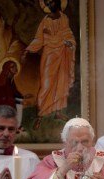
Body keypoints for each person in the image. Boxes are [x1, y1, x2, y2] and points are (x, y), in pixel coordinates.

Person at [22, 0, 76, 129]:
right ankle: (40, 115)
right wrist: (27, 49)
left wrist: (69, 42)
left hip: (62, 54)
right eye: (47, 3)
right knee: (46, 85)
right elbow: (39, 39)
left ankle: (58, 112)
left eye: (52, 2)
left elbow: (67, 34)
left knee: (61, 83)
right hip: (49, 56)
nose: (50, 5)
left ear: (58, 3)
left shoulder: (64, 18)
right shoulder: (46, 20)